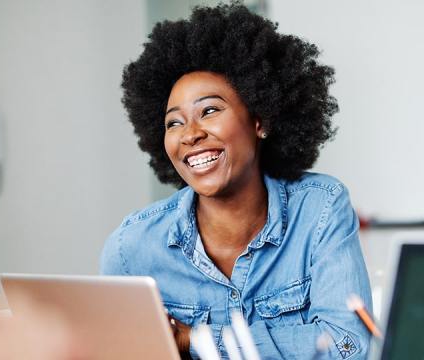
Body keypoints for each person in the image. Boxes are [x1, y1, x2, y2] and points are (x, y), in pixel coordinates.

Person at [100, 3, 372, 359]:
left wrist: (197, 340)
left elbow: (350, 346)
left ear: (261, 120)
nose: (190, 135)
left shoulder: (320, 209)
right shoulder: (130, 247)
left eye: (209, 111)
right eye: (174, 122)